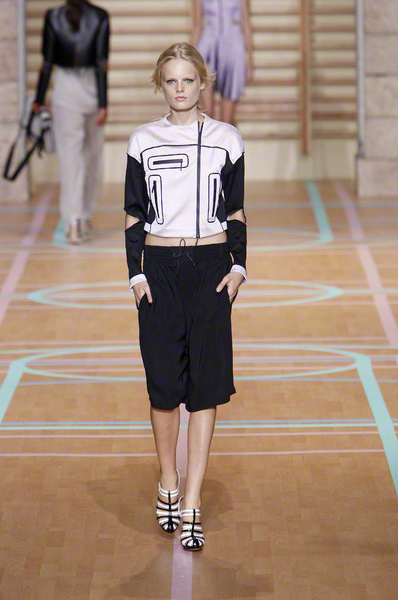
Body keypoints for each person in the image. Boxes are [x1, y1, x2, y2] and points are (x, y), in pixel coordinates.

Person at [124, 42, 247, 551]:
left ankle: (192, 499)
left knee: (205, 390)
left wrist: (238, 266)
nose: (180, 89)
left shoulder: (227, 139)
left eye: (188, 81)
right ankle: (168, 479)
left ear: (203, 83)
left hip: (212, 268)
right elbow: (134, 214)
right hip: (159, 271)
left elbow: (235, 210)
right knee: (163, 389)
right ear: (161, 84)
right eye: (171, 81)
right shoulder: (142, 140)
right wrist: (135, 276)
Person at [33, 0, 110, 244]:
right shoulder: (100, 16)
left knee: (71, 160)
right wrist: (103, 104)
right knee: (92, 159)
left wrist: (38, 99)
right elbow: (101, 64)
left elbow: (47, 63)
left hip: (65, 91)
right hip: (91, 91)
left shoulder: (53, 16)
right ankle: (84, 215)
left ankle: (73, 222)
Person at [191, 0, 253, 125]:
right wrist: (190, 59)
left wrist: (250, 60)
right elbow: (197, 24)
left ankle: (228, 138)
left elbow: (246, 22)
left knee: (227, 121)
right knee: (207, 116)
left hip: (233, 48)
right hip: (207, 48)